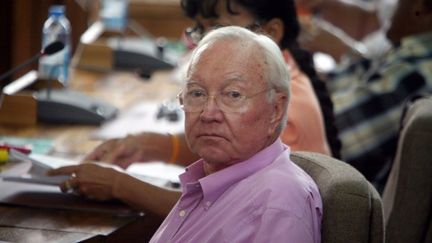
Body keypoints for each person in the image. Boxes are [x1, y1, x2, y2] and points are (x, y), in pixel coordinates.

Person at [50, 26, 323, 242]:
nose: (208, 113)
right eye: (197, 94)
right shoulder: (211, 183)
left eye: (233, 95)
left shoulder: (278, 203)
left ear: (276, 109)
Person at [84, 0, 341, 170]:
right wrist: (148, 145)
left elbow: (224, 210)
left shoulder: (277, 104)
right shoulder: (278, 74)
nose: (206, 43)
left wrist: (120, 187)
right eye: (201, 30)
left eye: (219, 28)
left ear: (271, 32)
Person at [327, 0, 432, 189]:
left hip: (357, 208)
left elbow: (328, 134)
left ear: (421, 9)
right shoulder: (407, 55)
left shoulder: (417, 75)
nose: (391, 7)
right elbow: (347, 77)